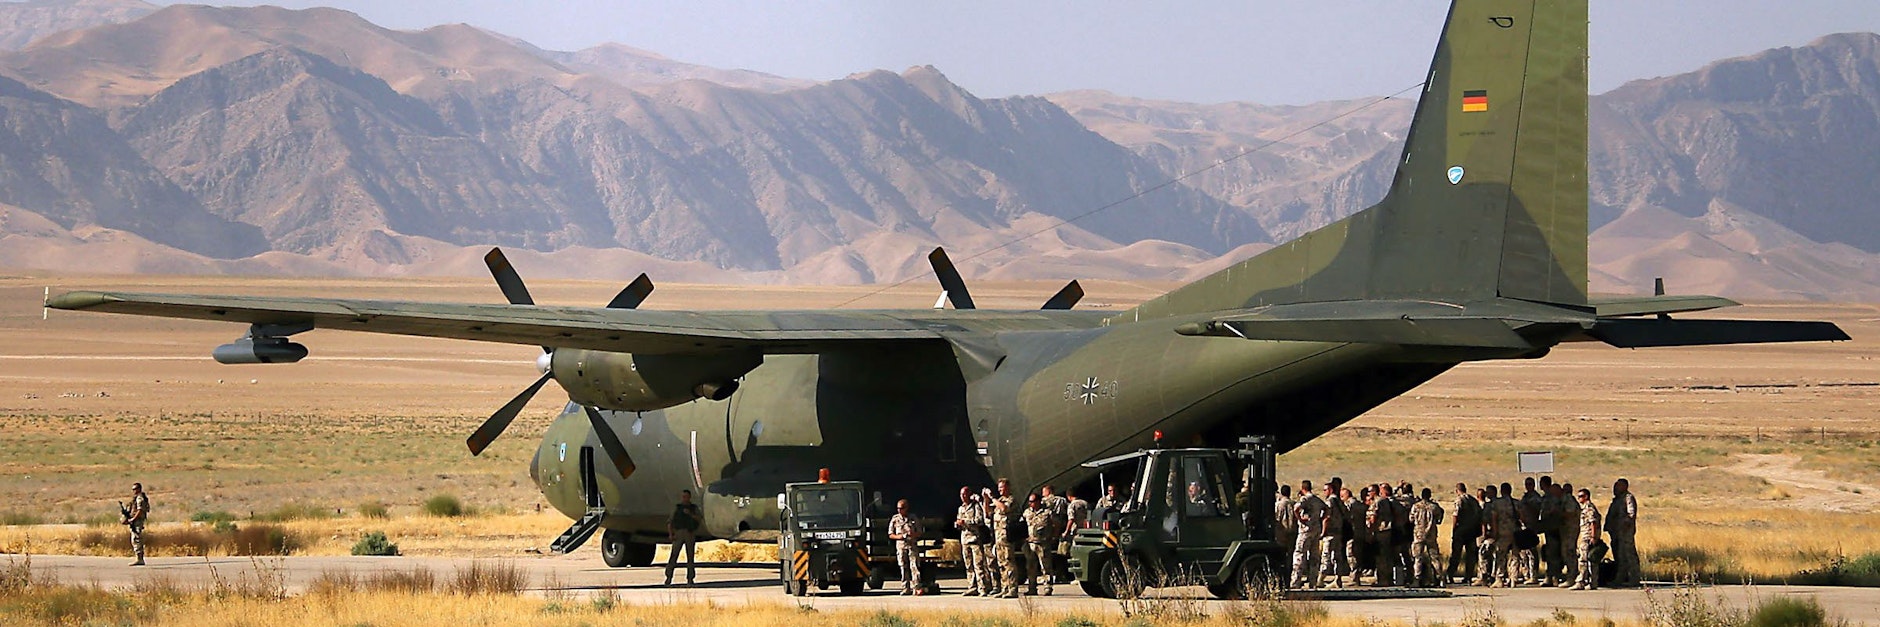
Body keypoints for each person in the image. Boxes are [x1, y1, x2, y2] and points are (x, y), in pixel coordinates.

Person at [956, 486, 992, 596]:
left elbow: (980, 520)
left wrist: (965, 522)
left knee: (979, 565)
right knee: (969, 565)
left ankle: (982, 587)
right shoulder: (961, 508)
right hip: (965, 539)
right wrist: (958, 524)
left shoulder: (976, 506)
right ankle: (972, 586)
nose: (963, 497)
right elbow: (959, 520)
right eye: (961, 495)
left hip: (975, 539)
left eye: (965, 494)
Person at [1291, 480, 1325, 589]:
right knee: (1314, 556)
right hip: (1316, 529)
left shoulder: (1305, 499)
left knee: (1300, 554)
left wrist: (1300, 519)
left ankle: (1296, 581)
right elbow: (1327, 509)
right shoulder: (1317, 499)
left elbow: (1296, 508)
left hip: (1305, 530)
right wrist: (1320, 519)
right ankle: (1313, 581)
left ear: (1302, 488)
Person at [992, 478, 1022, 598]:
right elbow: (988, 512)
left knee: (1009, 561)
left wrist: (993, 498)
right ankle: (1004, 587)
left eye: (1002, 487)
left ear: (1008, 488)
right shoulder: (999, 500)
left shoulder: (1011, 500)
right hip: (998, 535)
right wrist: (986, 499)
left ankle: (1013, 588)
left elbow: (1004, 509)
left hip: (1006, 535)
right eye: (998, 487)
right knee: (1001, 563)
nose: (999, 490)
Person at [1022, 493, 1056, 596]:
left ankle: (1048, 587)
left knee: (1045, 566)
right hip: (1030, 543)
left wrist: (1053, 536)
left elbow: (1056, 524)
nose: (1030, 503)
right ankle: (1032, 587)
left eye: (1032, 501)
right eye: (1030, 502)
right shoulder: (1027, 512)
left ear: (1038, 501)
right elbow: (1021, 524)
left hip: (1043, 543)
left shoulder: (1047, 512)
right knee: (1031, 566)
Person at [665, 489, 702, 586]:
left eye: (687, 497)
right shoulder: (677, 508)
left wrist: (690, 514)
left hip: (689, 533)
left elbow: (699, 519)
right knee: (674, 556)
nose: (685, 499)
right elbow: (670, 521)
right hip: (679, 533)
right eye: (683, 497)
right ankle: (668, 577)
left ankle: (690, 579)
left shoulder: (693, 508)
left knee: (690, 557)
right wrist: (671, 534)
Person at [1608, 478, 1640, 587]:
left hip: (1625, 532)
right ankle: (1620, 578)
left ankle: (1634, 578)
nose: (1616, 488)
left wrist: (1623, 524)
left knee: (1629, 555)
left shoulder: (1628, 498)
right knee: (1620, 556)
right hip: (1616, 532)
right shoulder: (1617, 499)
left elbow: (1631, 514)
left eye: (1619, 486)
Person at [1409, 487, 1445, 587]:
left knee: (1418, 558)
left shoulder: (1416, 506)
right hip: (1431, 535)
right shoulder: (1434, 507)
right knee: (1435, 558)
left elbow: (1411, 519)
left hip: (1418, 534)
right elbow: (1439, 519)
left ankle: (1416, 580)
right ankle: (1441, 579)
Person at [1446, 482, 1480, 585]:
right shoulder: (1473, 500)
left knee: (1456, 554)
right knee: (1470, 555)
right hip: (1472, 531)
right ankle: (1468, 576)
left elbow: (1456, 515)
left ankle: (1450, 575)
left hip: (1461, 531)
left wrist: (1454, 529)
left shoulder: (1459, 500)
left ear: (1457, 491)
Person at [889, 498, 925, 595]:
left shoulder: (913, 518)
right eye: (898, 508)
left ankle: (916, 587)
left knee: (914, 566)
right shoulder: (895, 519)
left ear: (906, 508)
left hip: (912, 545)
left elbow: (920, 532)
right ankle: (905, 587)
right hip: (901, 546)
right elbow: (890, 534)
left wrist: (913, 534)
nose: (899, 510)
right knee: (903, 567)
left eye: (902, 508)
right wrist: (899, 536)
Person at [1486, 482, 1518, 588]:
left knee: (1500, 555)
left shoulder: (1497, 504)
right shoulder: (1516, 503)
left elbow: (1494, 518)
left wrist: (1494, 532)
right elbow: (1523, 517)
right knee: (1514, 556)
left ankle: (1499, 578)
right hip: (1515, 532)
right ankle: (1513, 578)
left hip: (1503, 532)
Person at [1571, 488, 1603, 591]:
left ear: (1586, 497)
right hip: (1586, 536)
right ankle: (1592, 582)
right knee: (1591, 560)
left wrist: (1593, 537)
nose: (1579, 498)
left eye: (1581, 496)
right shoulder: (1585, 508)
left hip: (1588, 537)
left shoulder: (1589, 508)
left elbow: (1593, 522)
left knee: (1583, 560)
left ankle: (1580, 581)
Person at [1538, 478, 1567, 587]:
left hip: (1553, 528)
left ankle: (1555, 576)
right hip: (1548, 528)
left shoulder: (1553, 498)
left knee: (1554, 553)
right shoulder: (1545, 497)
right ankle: (1550, 575)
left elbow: (1556, 513)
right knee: (1549, 552)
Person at [1320, 481, 1349, 587]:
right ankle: (1338, 578)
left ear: (1330, 490)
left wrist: (1323, 532)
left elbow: (1326, 518)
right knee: (1337, 557)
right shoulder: (1339, 502)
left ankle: (1320, 578)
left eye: (1325, 490)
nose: (1324, 492)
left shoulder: (1330, 501)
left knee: (1326, 556)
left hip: (1330, 533)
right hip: (1339, 532)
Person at [1559, 482, 1582, 587]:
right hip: (1567, 530)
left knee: (1569, 552)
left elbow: (1570, 513)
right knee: (1567, 552)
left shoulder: (1569, 500)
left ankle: (1572, 577)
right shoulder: (1567, 500)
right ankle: (1571, 575)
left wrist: (1557, 514)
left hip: (1570, 531)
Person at [121, 483, 149, 566]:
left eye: (135, 489)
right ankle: (139, 558)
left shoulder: (140, 498)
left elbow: (140, 510)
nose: (134, 491)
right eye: (133, 489)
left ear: (139, 489)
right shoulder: (136, 498)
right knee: (135, 538)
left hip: (137, 521)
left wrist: (132, 519)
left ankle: (139, 559)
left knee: (136, 539)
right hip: (135, 521)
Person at [1274, 484, 1297, 582]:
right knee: (1291, 555)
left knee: (1281, 554)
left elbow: (1276, 518)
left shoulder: (1278, 505)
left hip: (1281, 532)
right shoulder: (1294, 503)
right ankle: (1289, 576)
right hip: (1293, 531)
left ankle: (1282, 576)